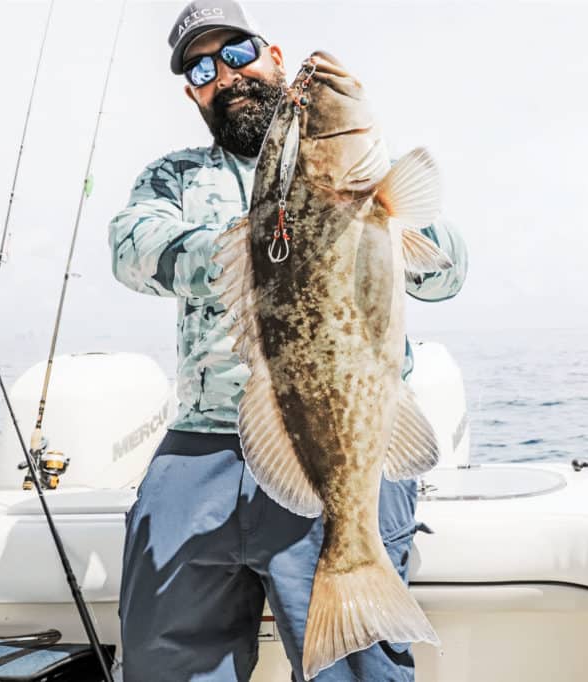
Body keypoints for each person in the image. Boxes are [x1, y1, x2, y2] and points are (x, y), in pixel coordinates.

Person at [108, 2, 467, 680]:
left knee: (357, 666)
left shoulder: (368, 185)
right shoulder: (172, 178)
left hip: (350, 437)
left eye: (237, 54)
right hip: (205, 440)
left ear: (271, 57)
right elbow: (133, 246)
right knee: (162, 660)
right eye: (203, 68)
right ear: (193, 93)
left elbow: (446, 275)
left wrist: (380, 209)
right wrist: (250, 254)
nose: (226, 74)